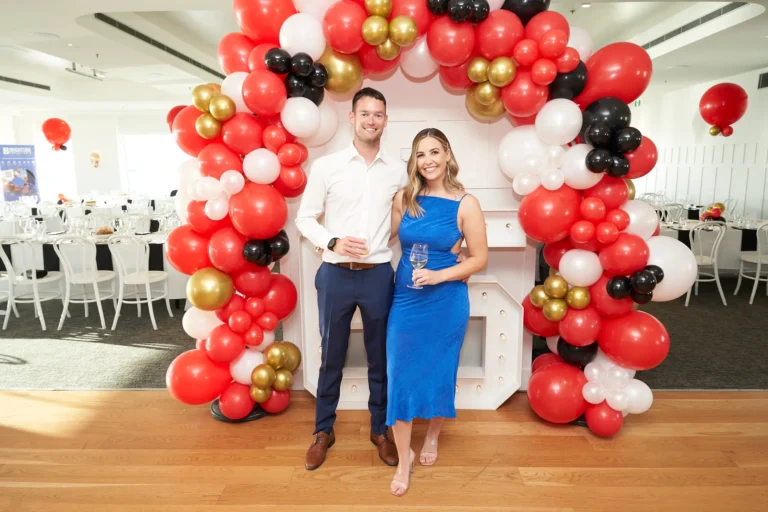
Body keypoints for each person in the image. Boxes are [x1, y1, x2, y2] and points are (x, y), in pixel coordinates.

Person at [295, 87, 406, 471]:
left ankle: (381, 429)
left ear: (385, 121)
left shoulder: (397, 170)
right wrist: (334, 240)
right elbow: (305, 218)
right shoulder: (326, 166)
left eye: (378, 114)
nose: (371, 120)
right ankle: (323, 431)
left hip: (378, 276)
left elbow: (402, 218)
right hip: (335, 275)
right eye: (365, 114)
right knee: (332, 357)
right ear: (352, 118)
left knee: (381, 358)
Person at [385, 128, 488, 496]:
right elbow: (386, 238)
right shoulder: (405, 198)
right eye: (420, 154)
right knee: (399, 375)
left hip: (446, 302)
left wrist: (440, 274)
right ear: (414, 161)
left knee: (442, 371)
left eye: (434, 152)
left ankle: (431, 437)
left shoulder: (466, 203)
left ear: (447, 154)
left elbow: (479, 258)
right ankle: (404, 457)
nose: (427, 160)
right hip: (406, 300)